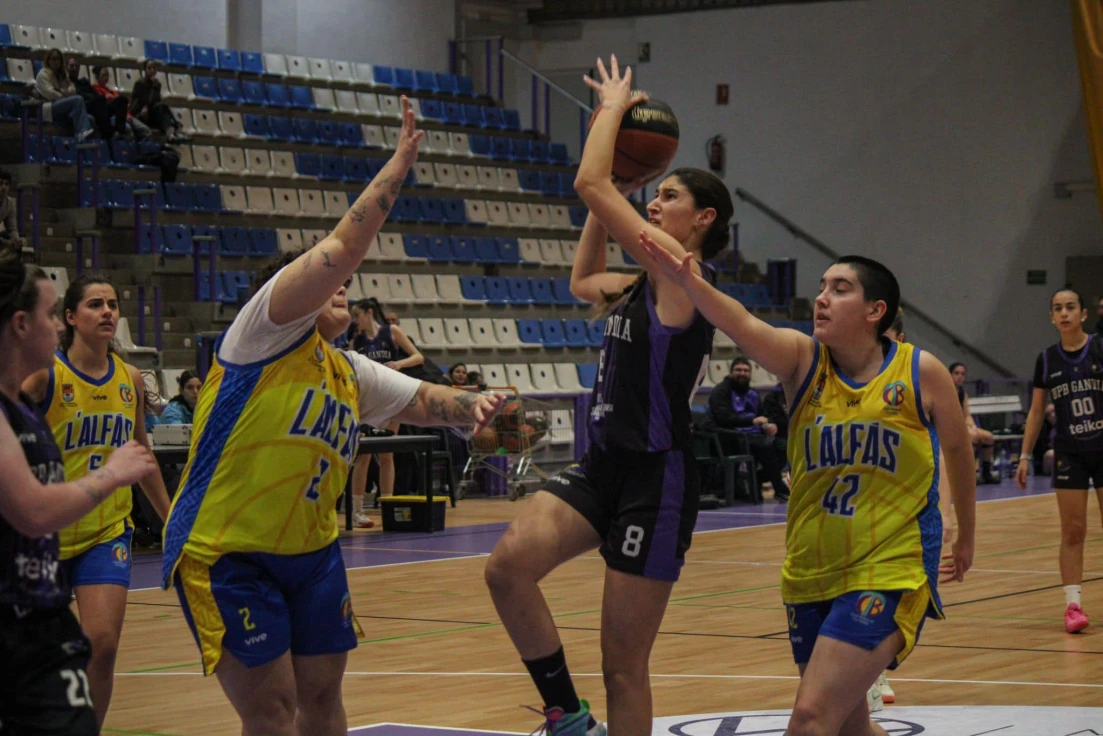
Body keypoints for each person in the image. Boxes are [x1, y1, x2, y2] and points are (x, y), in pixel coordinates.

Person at [160, 97, 504, 734]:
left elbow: (428, 400)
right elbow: (345, 246)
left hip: (312, 553)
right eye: (333, 283)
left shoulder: (346, 370)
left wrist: (480, 408)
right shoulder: (262, 332)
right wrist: (401, 162)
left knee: (321, 702)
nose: (345, 284)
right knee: (272, 709)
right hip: (227, 551)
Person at [637, 235, 976, 736]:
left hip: (890, 566)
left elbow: (958, 449)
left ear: (875, 310)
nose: (822, 297)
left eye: (840, 289)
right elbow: (742, 323)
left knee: (810, 719)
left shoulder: (919, 370)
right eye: (822, 286)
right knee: (847, 727)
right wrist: (690, 281)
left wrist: (964, 532)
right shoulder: (802, 359)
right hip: (809, 568)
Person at [485, 55, 731, 735]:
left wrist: (610, 113)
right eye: (651, 197)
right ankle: (566, 715)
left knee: (623, 666)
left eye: (667, 197)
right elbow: (582, 277)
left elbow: (588, 181)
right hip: (604, 466)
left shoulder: (683, 274)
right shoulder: (637, 283)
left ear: (703, 217)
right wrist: (620, 191)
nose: (654, 203)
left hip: (657, 478)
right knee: (507, 568)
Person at [0, 251, 158, 736]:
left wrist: (171, 520)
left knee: (101, 644)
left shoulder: (129, 380)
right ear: (67, 318)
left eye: (113, 304)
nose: (108, 312)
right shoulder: (40, 382)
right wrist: (108, 475)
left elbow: (140, 455)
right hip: (44, 535)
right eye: (95, 304)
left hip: (102, 530)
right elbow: (29, 507)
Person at [1016, 288, 1103, 633]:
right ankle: (1073, 605)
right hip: (1070, 452)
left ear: (1083, 314)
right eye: (1057, 308)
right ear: (1052, 317)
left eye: (1070, 307)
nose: (1064, 313)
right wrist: (1024, 455)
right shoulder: (1047, 359)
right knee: (1073, 530)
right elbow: (1037, 412)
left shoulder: (1099, 348)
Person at [348, 296, 425, 528]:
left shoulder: (391, 332)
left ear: (369, 312)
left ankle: (388, 507)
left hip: (390, 397)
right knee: (362, 455)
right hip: (366, 401)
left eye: (357, 315)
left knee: (386, 455)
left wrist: (399, 365)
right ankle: (357, 511)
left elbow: (418, 356)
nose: (354, 320)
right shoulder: (356, 341)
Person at [707, 357, 791, 502]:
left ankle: (758, 478)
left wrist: (769, 425)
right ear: (731, 372)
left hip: (755, 437)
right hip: (731, 437)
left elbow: (763, 415)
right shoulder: (720, 391)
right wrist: (751, 421)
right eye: (738, 370)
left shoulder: (753, 393)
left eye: (746, 371)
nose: (742, 373)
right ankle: (780, 489)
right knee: (767, 447)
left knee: (783, 447)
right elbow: (723, 418)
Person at [949, 362, 998, 484]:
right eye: (956, 373)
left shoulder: (962, 392)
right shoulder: (945, 391)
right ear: (949, 374)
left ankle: (986, 473)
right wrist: (967, 429)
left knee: (988, 437)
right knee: (972, 437)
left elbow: (967, 415)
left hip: (962, 427)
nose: (960, 376)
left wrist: (972, 426)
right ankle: (969, 474)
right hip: (947, 428)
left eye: (963, 374)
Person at [33, 48, 94, 141]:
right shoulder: (43, 74)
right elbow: (50, 93)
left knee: (90, 119)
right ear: (48, 60)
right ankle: (81, 133)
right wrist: (64, 95)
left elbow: (72, 90)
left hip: (61, 105)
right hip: (47, 107)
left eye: (58, 59)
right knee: (78, 100)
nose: (56, 62)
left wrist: (59, 90)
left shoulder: (63, 75)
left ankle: (81, 142)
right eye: (53, 59)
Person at [130, 59, 186, 142]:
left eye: (154, 68)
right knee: (161, 107)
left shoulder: (157, 84)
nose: (152, 70)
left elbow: (156, 101)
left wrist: (155, 87)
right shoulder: (140, 83)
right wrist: (153, 87)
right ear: (145, 70)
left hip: (152, 113)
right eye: (149, 68)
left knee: (162, 107)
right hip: (141, 115)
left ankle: (171, 133)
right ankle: (175, 128)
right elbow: (146, 101)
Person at [91, 65, 152, 141]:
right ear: (97, 77)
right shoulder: (94, 90)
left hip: (125, 116)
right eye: (103, 75)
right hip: (112, 117)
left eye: (107, 75)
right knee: (128, 131)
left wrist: (128, 115)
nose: (106, 77)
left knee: (147, 131)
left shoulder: (113, 92)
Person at [0, 169, 25, 250]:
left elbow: (12, 228)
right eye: (0, 183)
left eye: (6, 184)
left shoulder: (10, 203)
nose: (3, 187)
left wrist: (16, 240)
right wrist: (5, 242)